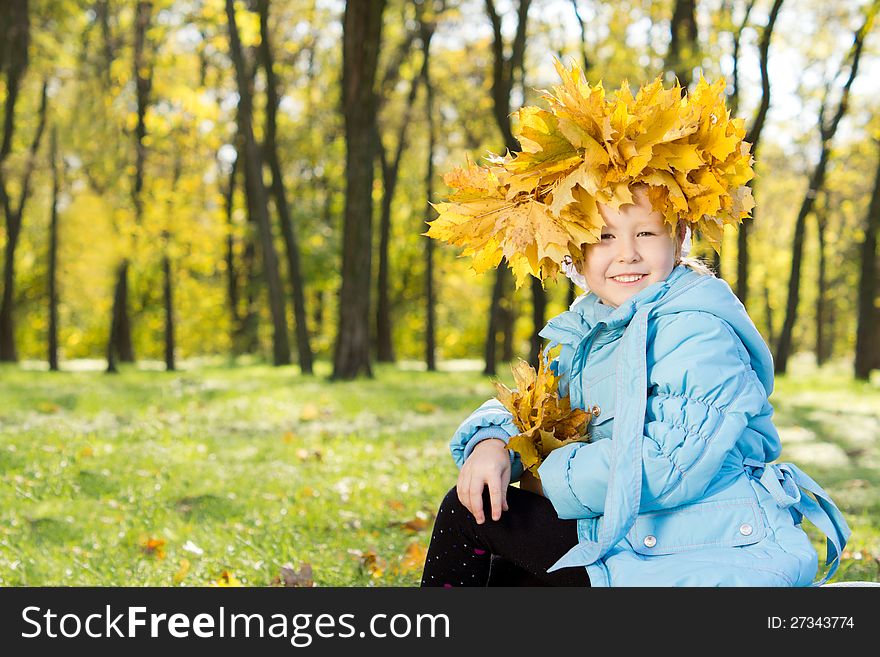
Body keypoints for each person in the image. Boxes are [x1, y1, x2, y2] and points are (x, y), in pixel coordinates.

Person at [419, 62, 850, 587]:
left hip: (699, 555)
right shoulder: (589, 328)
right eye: (602, 237)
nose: (626, 254)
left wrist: (535, 475)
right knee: (493, 528)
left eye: (645, 233)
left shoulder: (698, 330)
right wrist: (492, 442)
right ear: (574, 248)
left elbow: (668, 465)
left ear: (679, 236)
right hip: (629, 538)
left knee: (474, 515)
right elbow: (536, 410)